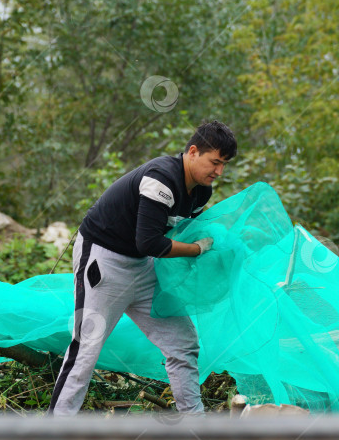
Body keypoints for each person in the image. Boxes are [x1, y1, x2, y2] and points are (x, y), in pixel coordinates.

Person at [48, 120, 237, 415]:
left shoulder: (201, 191)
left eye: (224, 165)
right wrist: (197, 249)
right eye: (214, 162)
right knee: (86, 350)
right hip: (105, 261)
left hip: (144, 268)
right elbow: (149, 242)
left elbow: (184, 233)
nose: (219, 172)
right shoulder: (161, 178)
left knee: (183, 343)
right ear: (193, 152)